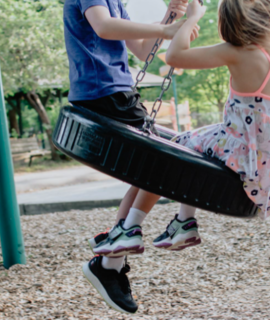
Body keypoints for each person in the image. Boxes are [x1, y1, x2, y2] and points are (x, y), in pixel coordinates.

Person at [92, 0, 270, 270]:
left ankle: (132, 226)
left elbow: (174, 56)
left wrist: (193, 18)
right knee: (195, 148)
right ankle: (184, 222)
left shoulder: (236, 53)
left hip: (240, 151)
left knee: (171, 151)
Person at [63, 0, 200, 314]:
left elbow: (141, 51)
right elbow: (103, 27)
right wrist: (166, 28)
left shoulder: (116, 3)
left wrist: (173, 16)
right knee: (166, 163)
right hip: (104, 93)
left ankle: (112, 260)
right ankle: (111, 261)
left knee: (151, 172)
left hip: (117, 93)